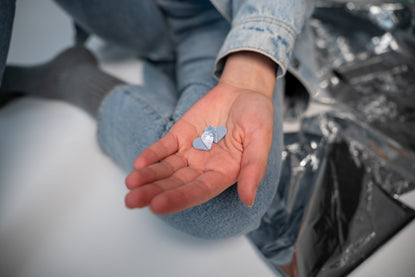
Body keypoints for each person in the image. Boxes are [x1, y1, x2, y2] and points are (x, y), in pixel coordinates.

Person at [0, 0, 308, 239]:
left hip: (223, 22)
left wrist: (249, 73)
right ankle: (161, 68)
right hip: (134, 20)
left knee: (228, 206)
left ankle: (73, 77)